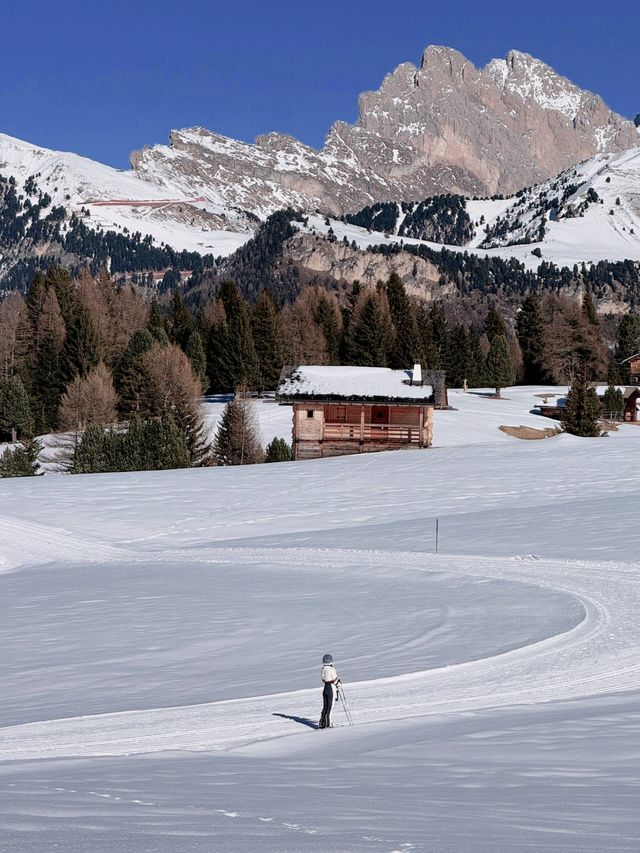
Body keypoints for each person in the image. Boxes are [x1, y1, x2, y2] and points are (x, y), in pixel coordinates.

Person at [319, 653, 340, 729]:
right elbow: (335, 680)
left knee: (325, 706)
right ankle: (328, 724)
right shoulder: (332, 669)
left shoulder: (323, 669)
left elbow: (323, 680)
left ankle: (322, 722)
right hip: (331, 688)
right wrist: (338, 683)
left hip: (325, 688)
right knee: (330, 707)